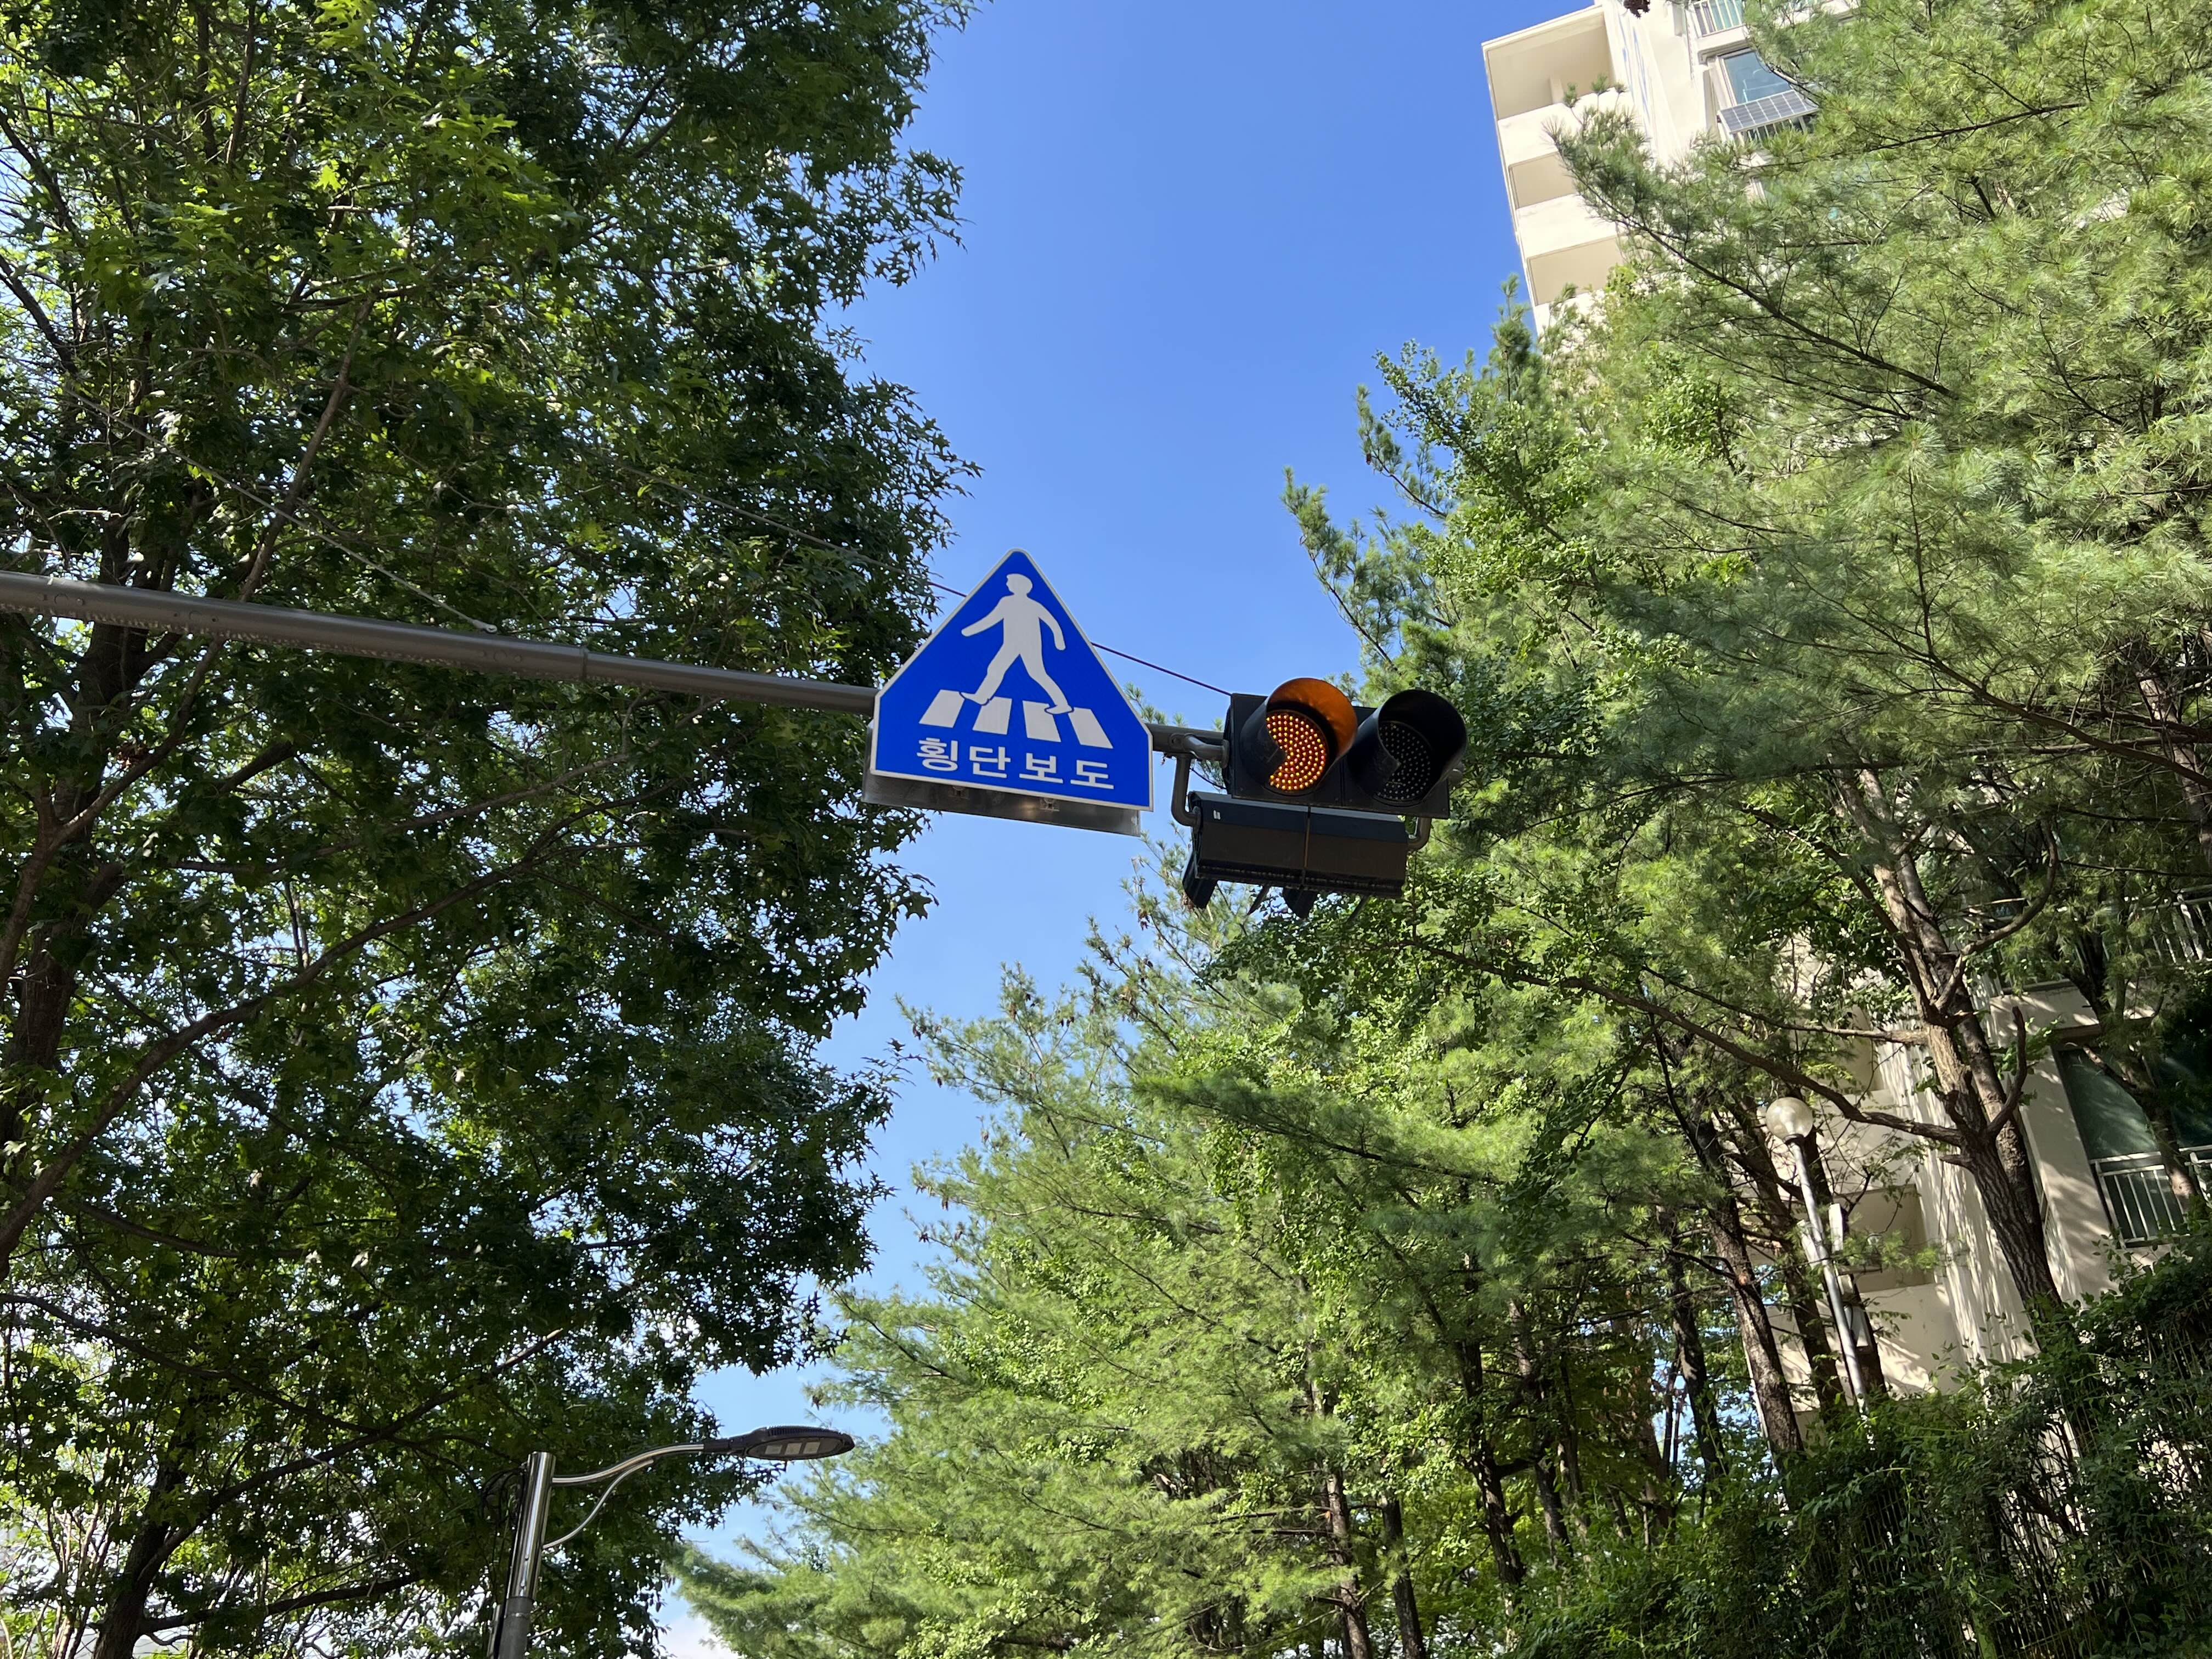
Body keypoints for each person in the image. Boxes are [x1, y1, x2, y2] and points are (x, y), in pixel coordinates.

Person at [961, 573, 1071, 713]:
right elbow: (992, 619)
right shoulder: (1006, 602)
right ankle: (982, 696)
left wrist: (1059, 640)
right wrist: (970, 631)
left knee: (1038, 674)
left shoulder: (1034, 605)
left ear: (1019, 586)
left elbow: (1052, 622)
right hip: (1012, 644)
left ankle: (1063, 704)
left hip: (1030, 645)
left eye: (1010, 582)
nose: (1007, 584)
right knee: (996, 669)